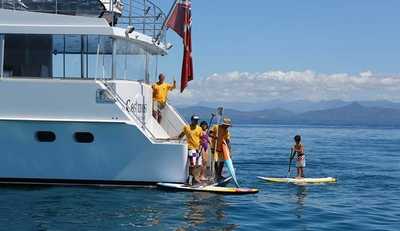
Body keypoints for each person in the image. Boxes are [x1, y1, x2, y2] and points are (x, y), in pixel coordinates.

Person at [177, 114, 203, 185]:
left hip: (198, 148)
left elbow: (201, 137)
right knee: (192, 164)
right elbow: (181, 135)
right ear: (192, 120)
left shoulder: (199, 128)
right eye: (195, 120)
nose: (196, 121)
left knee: (199, 164)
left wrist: (201, 145)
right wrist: (177, 139)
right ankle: (190, 179)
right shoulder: (186, 127)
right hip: (191, 148)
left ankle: (194, 178)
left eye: (197, 120)